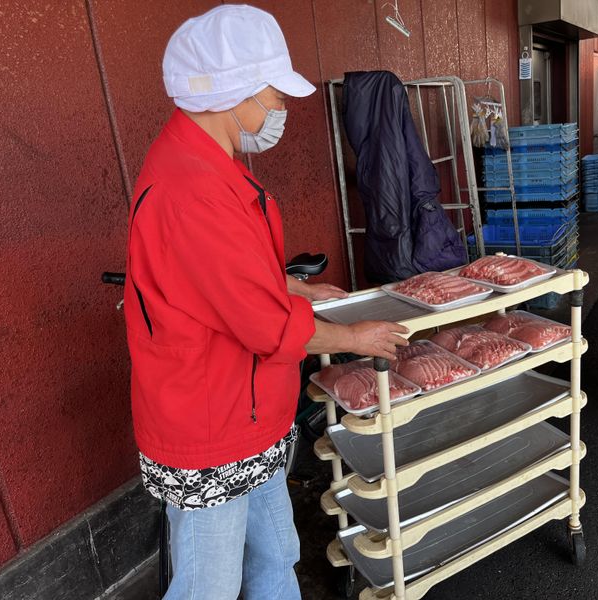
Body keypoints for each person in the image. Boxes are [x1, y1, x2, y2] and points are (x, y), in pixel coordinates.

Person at [123, 5, 408, 599]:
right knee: (208, 586)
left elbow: (226, 276)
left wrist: (296, 287)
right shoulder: (192, 190)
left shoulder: (203, 162)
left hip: (247, 417)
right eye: (274, 93)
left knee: (277, 555)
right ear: (233, 92)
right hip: (213, 433)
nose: (280, 108)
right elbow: (265, 326)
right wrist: (355, 338)